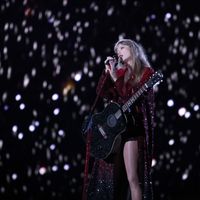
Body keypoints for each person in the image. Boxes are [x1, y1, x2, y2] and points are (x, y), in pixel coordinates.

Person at [82, 38, 155, 200]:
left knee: (132, 178)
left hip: (132, 130)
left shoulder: (146, 72)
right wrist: (107, 73)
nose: (118, 52)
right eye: (117, 50)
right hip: (114, 132)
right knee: (113, 180)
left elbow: (129, 95)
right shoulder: (119, 73)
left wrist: (116, 78)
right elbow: (103, 93)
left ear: (133, 49)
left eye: (122, 47)